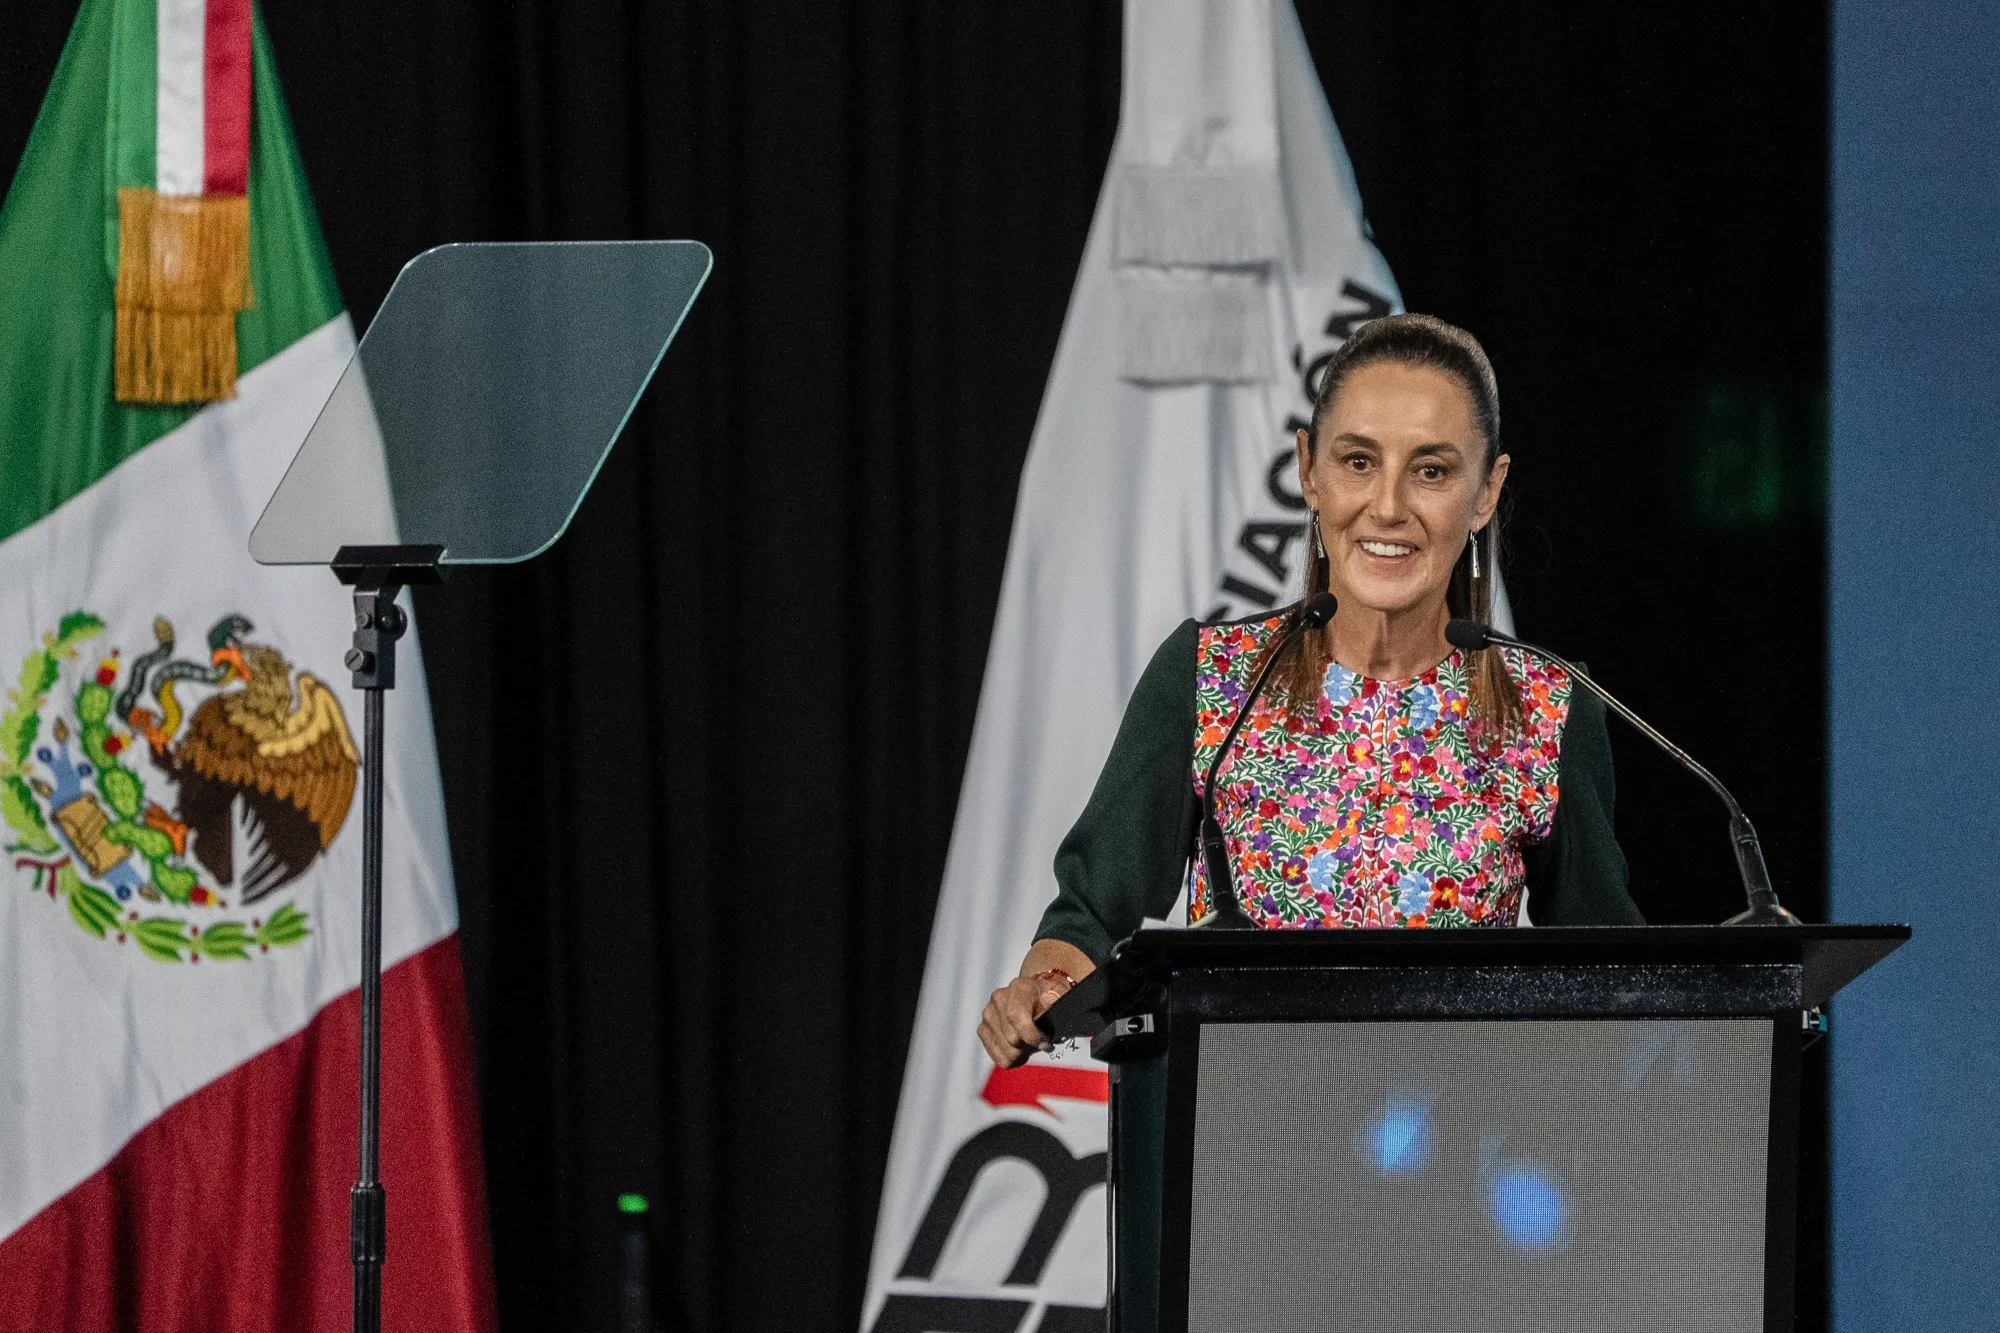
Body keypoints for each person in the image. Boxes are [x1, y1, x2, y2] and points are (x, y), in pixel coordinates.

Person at [978, 313, 1643, 1069]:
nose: (1388, 505)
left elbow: (1611, 981)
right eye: (1359, 461)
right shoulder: (1212, 678)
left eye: (1431, 470)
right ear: (1309, 469)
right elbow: (1089, 915)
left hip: (1464, 1155)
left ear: (1486, 490)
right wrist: (1040, 987)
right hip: (1242, 1153)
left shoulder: (1546, 709)